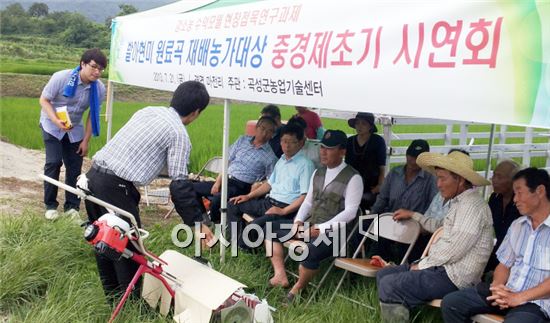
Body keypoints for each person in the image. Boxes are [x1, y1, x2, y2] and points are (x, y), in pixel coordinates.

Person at [83, 81, 213, 301]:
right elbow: (179, 184)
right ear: (196, 112)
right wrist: (198, 223)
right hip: (116, 187)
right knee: (128, 251)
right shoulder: (179, 134)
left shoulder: (148, 111)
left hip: (93, 178)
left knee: (104, 243)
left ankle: (113, 299)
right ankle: (130, 306)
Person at [376, 150, 494, 322]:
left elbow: (453, 250)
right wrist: (415, 215)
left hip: (455, 277)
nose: (438, 184)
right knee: (384, 275)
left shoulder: (471, 206)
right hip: (442, 269)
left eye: (442, 178)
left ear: (460, 180)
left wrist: (422, 265)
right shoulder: (460, 202)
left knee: (390, 284)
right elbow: (441, 227)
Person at [441, 167, 550, 323]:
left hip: (537, 302)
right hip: (508, 293)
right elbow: (504, 265)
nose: (515, 199)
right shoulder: (517, 226)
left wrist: (519, 297)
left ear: (539, 191)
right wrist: (497, 287)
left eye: (519, 192)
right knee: (452, 303)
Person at [265, 130, 362, 302]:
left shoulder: (353, 177)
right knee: (270, 230)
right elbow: (308, 202)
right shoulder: (318, 173)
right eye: (322, 147)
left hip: (335, 235)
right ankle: (280, 275)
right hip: (310, 227)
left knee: (310, 251)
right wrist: (297, 222)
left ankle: (296, 291)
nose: (323, 152)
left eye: (329, 148)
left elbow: (350, 212)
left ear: (342, 151)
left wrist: (321, 229)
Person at [40, 48, 107, 220]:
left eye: (101, 69)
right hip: (52, 125)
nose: (97, 72)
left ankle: (72, 207)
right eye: (93, 67)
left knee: (75, 167)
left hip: (74, 129)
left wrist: (85, 140)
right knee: (54, 163)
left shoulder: (98, 88)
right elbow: (44, 100)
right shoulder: (61, 78)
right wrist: (56, 121)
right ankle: (50, 205)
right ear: (82, 64)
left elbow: (93, 115)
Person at [227, 124, 315, 250]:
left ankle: (243, 249)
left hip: (285, 209)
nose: (287, 146)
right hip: (268, 202)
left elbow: (305, 196)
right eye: (284, 141)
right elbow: (269, 184)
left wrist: (283, 211)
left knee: (255, 225)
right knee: (232, 204)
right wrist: (248, 196)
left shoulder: (306, 164)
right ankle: (239, 242)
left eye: (292, 142)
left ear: (301, 143)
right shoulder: (282, 160)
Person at [194, 116, 278, 223]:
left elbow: (271, 180)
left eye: (269, 131)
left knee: (217, 199)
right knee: (192, 188)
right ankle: (204, 219)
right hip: (225, 179)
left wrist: (259, 184)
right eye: (263, 128)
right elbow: (226, 160)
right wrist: (217, 182)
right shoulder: (242, 140)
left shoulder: (270, 156)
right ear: (257, 127)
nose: (265, 133)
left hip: (241, 186)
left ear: (272, 135)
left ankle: (216, 223)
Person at [485, 160, 522, 272]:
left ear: (513, 181)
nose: (494, 180)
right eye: (494, 175)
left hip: (515, 257)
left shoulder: (521, 204)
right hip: (499, 251)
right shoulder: (494, 199)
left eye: (499, 177)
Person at [345, 112, 387, 211]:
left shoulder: (378, 141)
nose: (359, 126)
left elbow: (382, 166)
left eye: (363, 123)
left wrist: (379, 185)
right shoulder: (350, 141)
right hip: (352, 183)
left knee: (368, 202)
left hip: (370, 186)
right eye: (357, 123)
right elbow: (346, 166)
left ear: (370, 127)